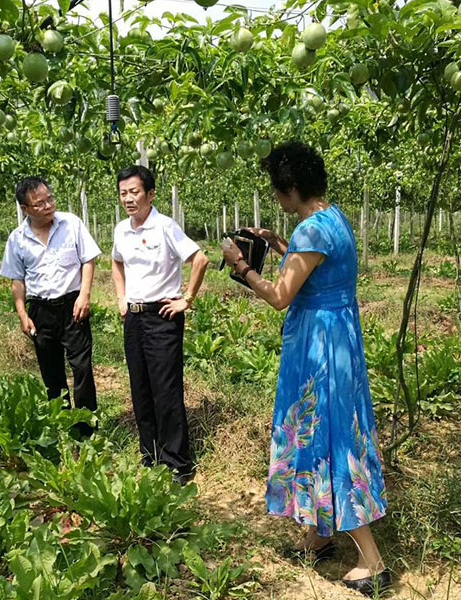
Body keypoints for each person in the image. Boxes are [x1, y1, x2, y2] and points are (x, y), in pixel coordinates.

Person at [221, 142, 390, 597]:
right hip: (338, 338)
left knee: (325, 435)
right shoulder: (332, 218)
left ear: (292, 188)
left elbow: (280, 296)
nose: (277, 199)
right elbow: (318, 272)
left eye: (279, 191)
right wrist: (280, 245)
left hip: (317, 347)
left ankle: (372, 559)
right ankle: (319, 534)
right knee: (333, 428)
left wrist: (241, 268)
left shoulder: (310, 231)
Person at [111, 165, 210, 485]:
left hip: (163, 316)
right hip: (134, 317)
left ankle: (177, 464)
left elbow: (200, 259)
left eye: (134, 192)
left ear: (150, 194)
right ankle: (150, 455)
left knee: (165, 391)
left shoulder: (165, 226)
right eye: (123, 192)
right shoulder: (121, 230)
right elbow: (116, 262)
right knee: (140, 388)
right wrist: (120, 297)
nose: (128, 198)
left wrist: (187, 299)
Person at [0, 176, 101, 436]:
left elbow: (88, 260)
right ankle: (63, 424)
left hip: (72, 305)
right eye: (39, 203)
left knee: (81, 367)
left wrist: (85, 294)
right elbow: (17, 281)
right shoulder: (17, 239)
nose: (48, 206)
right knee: (51, 371)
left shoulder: (71, 224)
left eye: (50, 199)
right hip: (40, 310)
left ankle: (88, 426)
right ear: (25, 209)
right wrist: (23, 314)